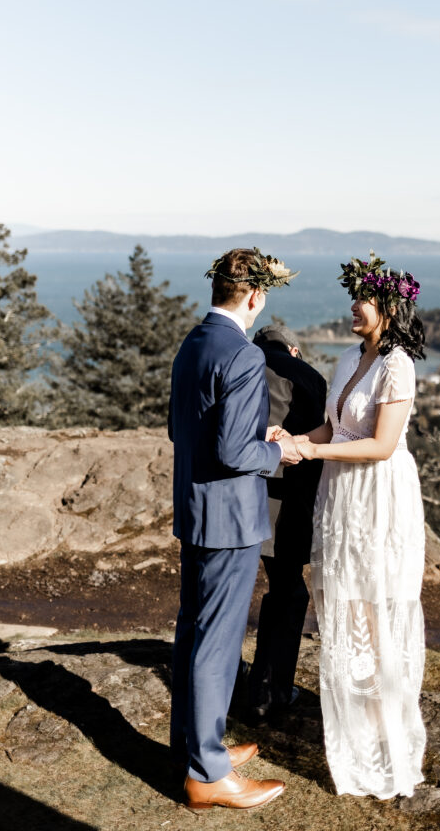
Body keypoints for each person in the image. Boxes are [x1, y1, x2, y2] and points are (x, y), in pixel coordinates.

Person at [168, 247, 302, 811]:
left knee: (194, 632)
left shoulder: (194, 343)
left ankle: (193, 747)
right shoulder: (245, 357)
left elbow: (185, 431)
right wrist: (277, 452)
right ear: (254, 296)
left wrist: (251, 440)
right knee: (217, 645)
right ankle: (208, 772)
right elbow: (232, 449)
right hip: (230, 521)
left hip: (197, 510)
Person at [296, 252, 427, 800]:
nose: (353, 306)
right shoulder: (349, 356)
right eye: (354, 297)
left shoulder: (398, 364)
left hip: (378, 496)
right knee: (344, 604)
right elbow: (334, 427)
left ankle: (386, 745)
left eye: (363, 299)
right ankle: (352, 733)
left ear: (389, 309)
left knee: (377, 607)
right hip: (341, 494)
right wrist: (296, 440)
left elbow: (380, 445)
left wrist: (308, 451)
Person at [247, 324, 327, 721]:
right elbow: (317, 448)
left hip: (241, 497)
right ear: (293, 349)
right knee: (288, 593)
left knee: (230, 595)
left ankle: (227, 682)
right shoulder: (310, 376)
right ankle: (271, 690)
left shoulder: (242, 364)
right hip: (288, 506)